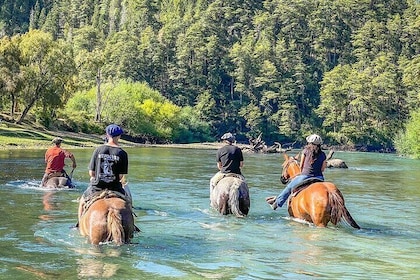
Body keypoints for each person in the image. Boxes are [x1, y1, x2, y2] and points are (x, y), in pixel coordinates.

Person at [78, 124, 129, 220]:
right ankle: (132, 226)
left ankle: (79, 224)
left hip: (97, 187)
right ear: (119, 136)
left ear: (107, 135)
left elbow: (91, 173)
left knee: (82, 201)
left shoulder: (98, 150)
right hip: (115, 188)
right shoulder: (122, 153)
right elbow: (120, 177)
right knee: (128, 203)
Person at [267, 134, 327, 210]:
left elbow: (301, 166)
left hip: (305, 176)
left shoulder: (305, 151)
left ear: (309, 143)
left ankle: (277, 203)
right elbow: (322, 169)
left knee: (289, 187)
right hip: (319, 178)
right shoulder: (323, 154)